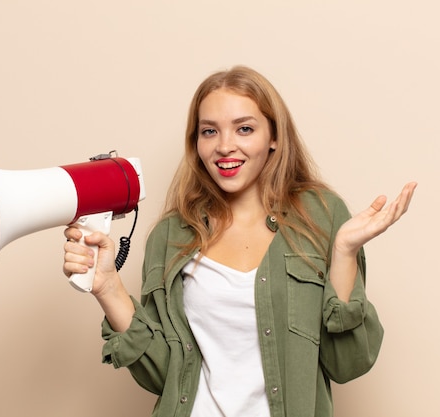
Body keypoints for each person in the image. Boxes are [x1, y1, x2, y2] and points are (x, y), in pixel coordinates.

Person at [62, 65, 416, 417]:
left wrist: (344, 252)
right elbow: (163, 375)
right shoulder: (172, 234)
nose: (225, 146)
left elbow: (348, 364)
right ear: (196, 142)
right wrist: (108, 288)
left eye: (244, 128)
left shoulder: (321, 216)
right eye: (209, 131)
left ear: (274, 136)